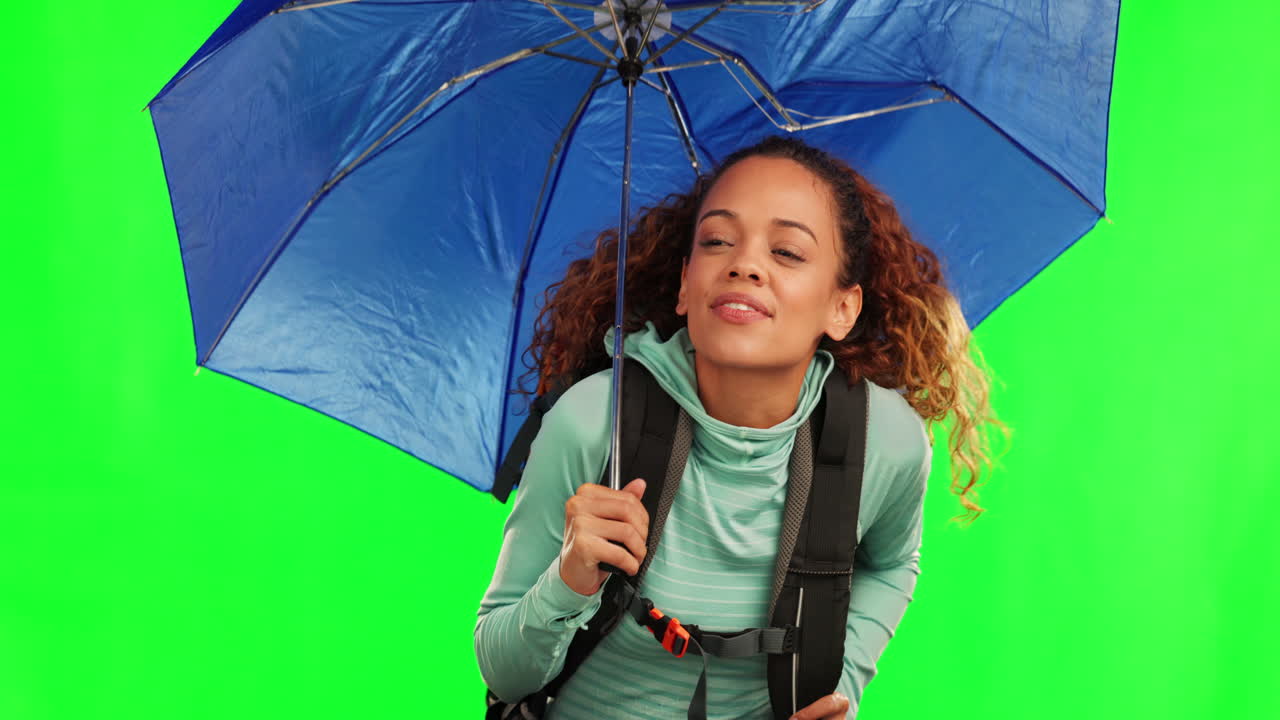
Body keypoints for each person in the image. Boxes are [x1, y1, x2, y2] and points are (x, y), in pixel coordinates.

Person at [475, 135, 1007, 719]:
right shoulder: (592, 423)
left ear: (842, 308)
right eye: (718, 241)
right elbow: (503, 671)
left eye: (787, 252)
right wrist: (571, 577)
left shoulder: (884, 441)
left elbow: (890, 563)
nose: (744, 264)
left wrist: (843, 685)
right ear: (684, 286)